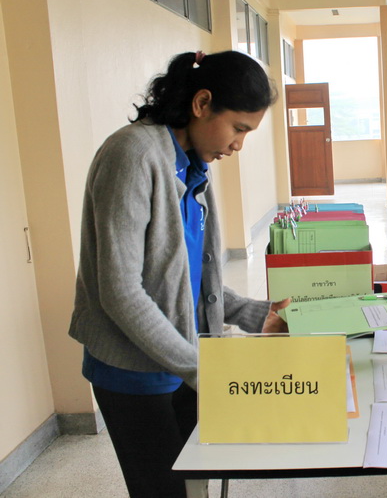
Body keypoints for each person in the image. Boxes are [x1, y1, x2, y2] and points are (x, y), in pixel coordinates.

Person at [69, 50, 289, 498]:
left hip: (185, 357)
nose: (238, 145)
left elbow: (185, 279)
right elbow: (120, 291)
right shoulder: (133, 155)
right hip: (135, 374)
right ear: (202, 103)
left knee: (196, 482)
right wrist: (201, 370)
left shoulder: (191, 164)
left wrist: (254, 314)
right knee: (162, 490)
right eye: (238, 129)